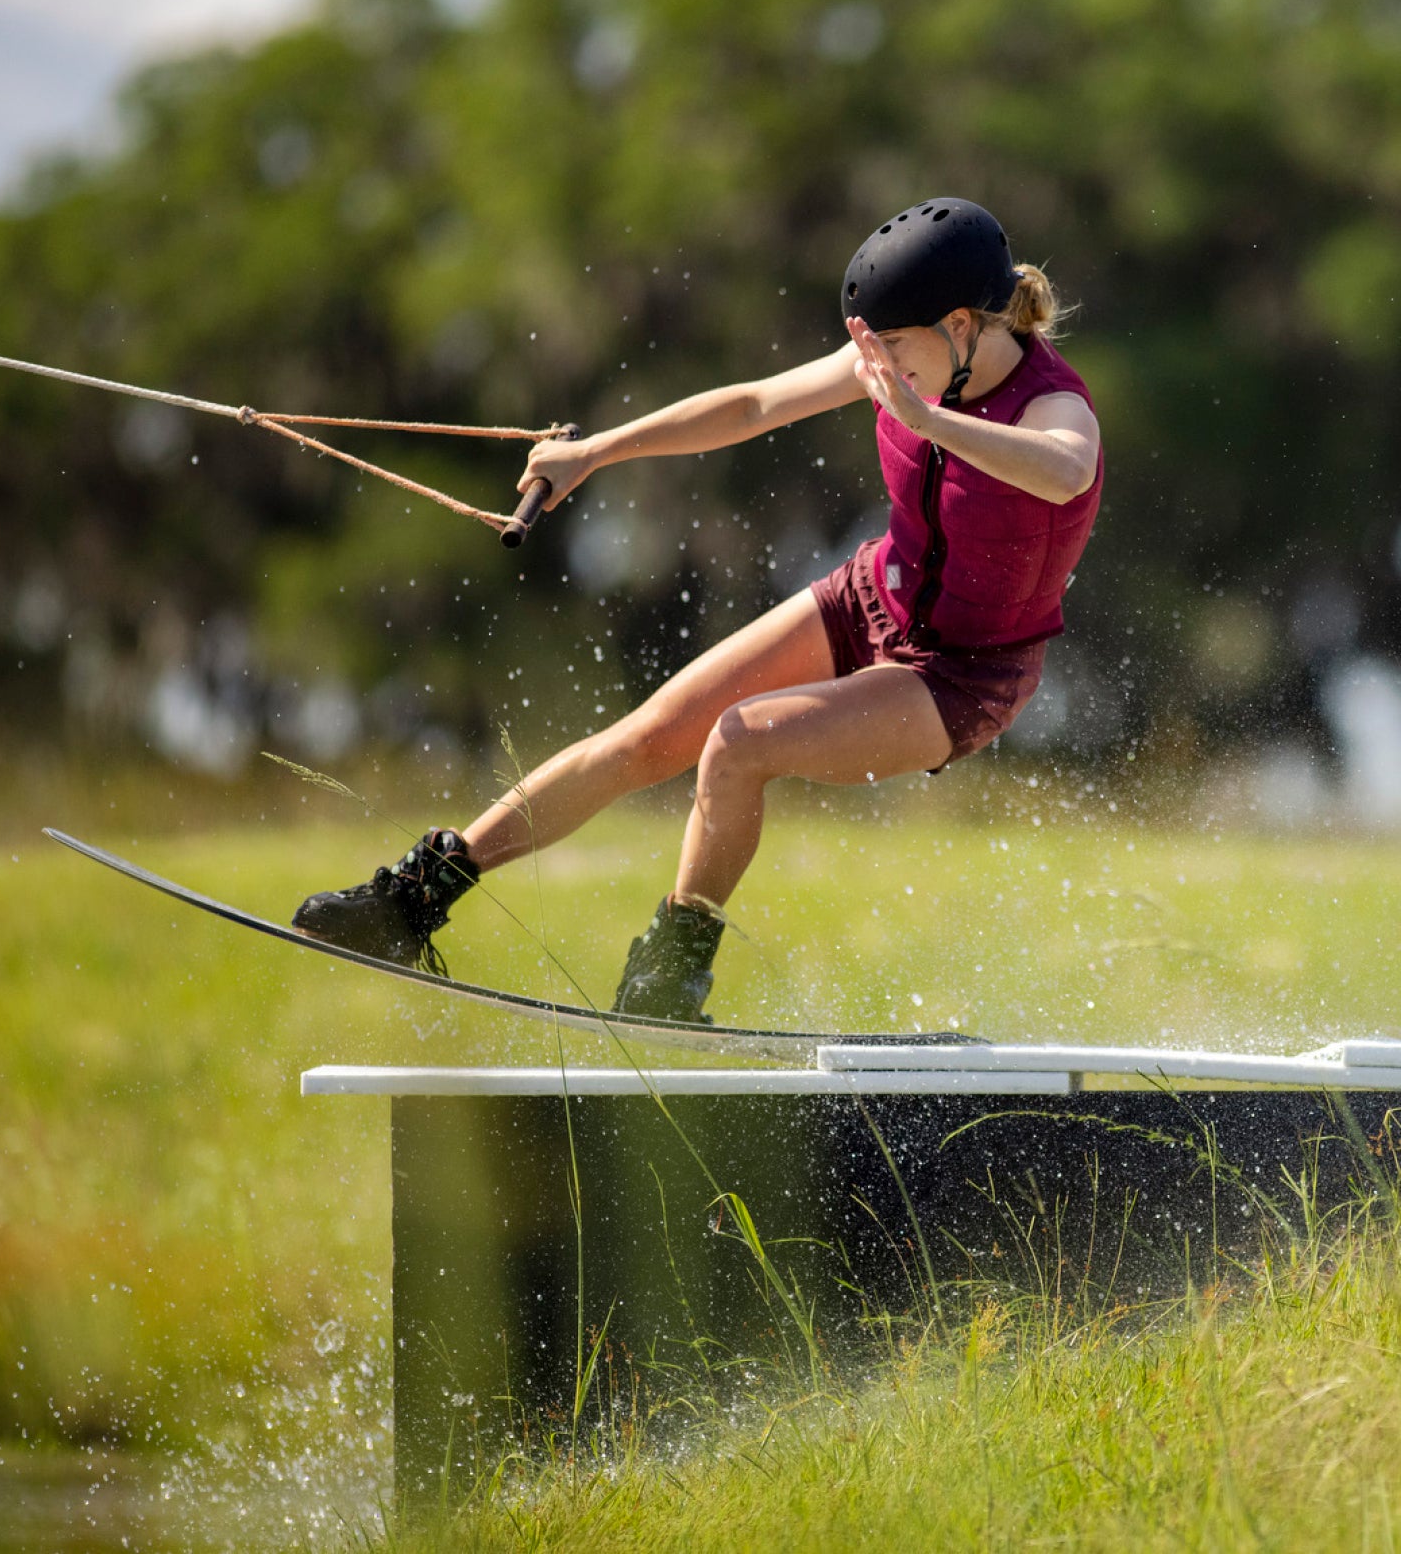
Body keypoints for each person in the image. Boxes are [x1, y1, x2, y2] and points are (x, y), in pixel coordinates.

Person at [292, 199, 1103, 1022]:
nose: (880, 366)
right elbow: (754, 405)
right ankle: (417, 899)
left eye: (895, 346)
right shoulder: (900, 361)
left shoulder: (1051, 406)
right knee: (647, 738)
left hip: (964, 676)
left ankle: (674, 970)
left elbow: (1066, 470)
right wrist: (596, 453)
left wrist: (929, 422)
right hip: (867, 598)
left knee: (739, 745)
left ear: (962, 325)